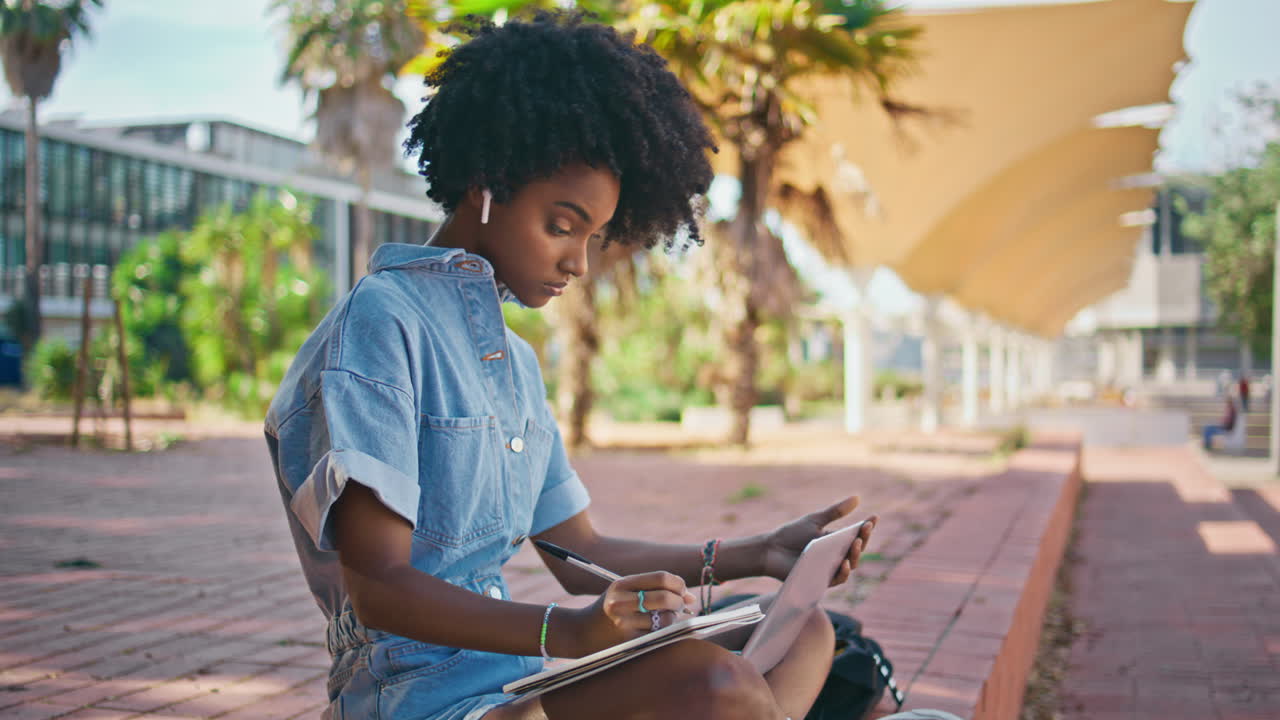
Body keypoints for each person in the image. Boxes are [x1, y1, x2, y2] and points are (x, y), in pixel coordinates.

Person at [265, 12, 878, 720]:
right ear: (486, 182)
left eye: (592, 236)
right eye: (561, 225)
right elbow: (378, 584)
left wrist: (763, 551)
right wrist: (573, 632)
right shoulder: (383, 321)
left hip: (521, 684)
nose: (578, 263)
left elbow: (578, 549)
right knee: (717, 687)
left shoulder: (513, 363)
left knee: (802, 630)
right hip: (422, 702)